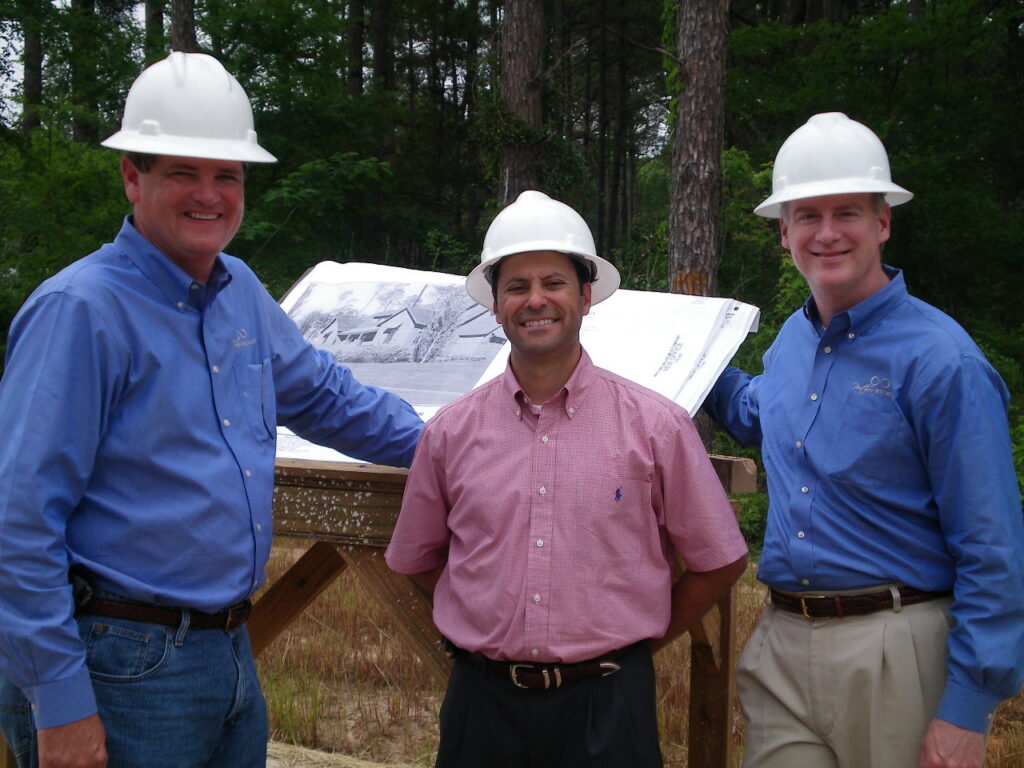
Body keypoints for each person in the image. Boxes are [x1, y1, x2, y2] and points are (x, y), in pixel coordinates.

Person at [0, 52, 422, 768]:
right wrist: (59, 702)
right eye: (183, 172)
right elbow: (18, 520)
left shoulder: (239, 291)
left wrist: (464, 443)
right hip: (116, 662)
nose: (209, 194)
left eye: (226, 175)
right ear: (132, 177)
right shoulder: (81, 311)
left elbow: (328, 398)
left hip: (224, 650)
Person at [385, 190, 748, 768]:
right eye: (517, 286)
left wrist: (637, 641)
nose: (535, 300)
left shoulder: (656, 427)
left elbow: (720, 560)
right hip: (483, 706)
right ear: (495, 305)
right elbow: (417, 557)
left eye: (553, 282)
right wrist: (484, 613)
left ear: (585, 296)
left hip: (610, 707)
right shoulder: (450, 433)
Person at [707, 112, 1024, 768]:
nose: (826, 233)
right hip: (783, 645)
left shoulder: (941, 361)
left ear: (883, 222)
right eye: (807, 216)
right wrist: (681, 357)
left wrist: (967, 708)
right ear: (784, 232)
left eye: (847, 212)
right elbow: (756, 412)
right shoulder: (793, 341)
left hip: (895, 651)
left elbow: (992, 547)